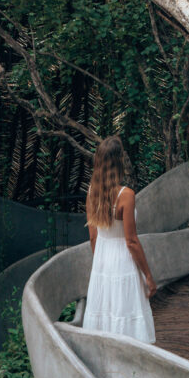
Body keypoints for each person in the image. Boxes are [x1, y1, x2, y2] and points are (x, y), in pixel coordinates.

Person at [82, 136, 156, 342]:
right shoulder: (126, 195)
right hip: (123, 260)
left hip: (102, 259)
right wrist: (148, 276)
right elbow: (131, 241)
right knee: (125, 312)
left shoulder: (91, 192)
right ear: (118, 161)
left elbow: (93, 237)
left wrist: (102, 265)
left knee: (106, 313)